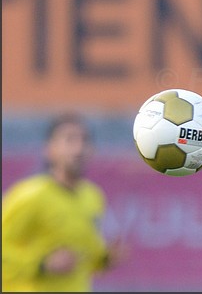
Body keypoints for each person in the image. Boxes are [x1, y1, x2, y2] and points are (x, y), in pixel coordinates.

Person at [2, 112, 128, 292]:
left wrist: (105, 260)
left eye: (84, 140)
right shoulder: (30, 195)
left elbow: (84, 257)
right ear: (49, 149)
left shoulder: (92, 196)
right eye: (69, 140)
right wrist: (41, 265)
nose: (78, 148)